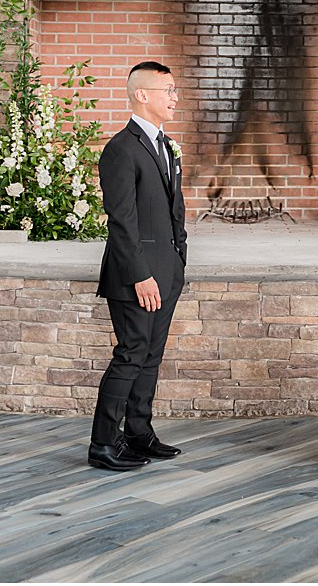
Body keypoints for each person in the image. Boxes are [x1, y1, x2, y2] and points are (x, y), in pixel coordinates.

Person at [88, 61, 189, 471]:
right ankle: (103, 445)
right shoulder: (120, 149)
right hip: (136, 274)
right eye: (168, 89)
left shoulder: (165, 145)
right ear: (142, 95)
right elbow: (121, 221)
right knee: (131, 354)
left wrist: (178, 260)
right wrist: (141, 274)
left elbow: (172, 210)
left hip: (167, 269)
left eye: (175, 90)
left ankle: (139, 433)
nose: (175, 97)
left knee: (151, 356)